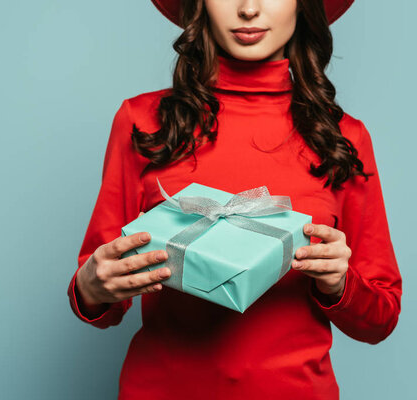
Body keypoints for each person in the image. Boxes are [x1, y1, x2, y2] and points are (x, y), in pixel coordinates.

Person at [67, 0, 402, 398]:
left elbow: (380, 319)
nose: (248, 9)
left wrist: (339, 284)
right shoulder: (143, 121)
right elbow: (97, 295)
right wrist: (91, 287)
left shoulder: (344, 139)